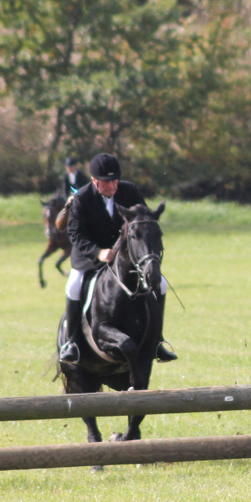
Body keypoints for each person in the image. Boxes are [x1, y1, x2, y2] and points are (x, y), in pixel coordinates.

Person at [59, 152, 177, 364]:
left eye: (115, 180)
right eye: (107, 182)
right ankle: (72, 343)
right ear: (95, 181)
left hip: (122, 255)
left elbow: (142, 217)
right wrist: (98, 252)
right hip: (89, 255)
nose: (113, 186)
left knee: (162, 284)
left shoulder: (129, 190)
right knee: (73, 285)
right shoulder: (82, 198)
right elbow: (76, 234)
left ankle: (157, 341)